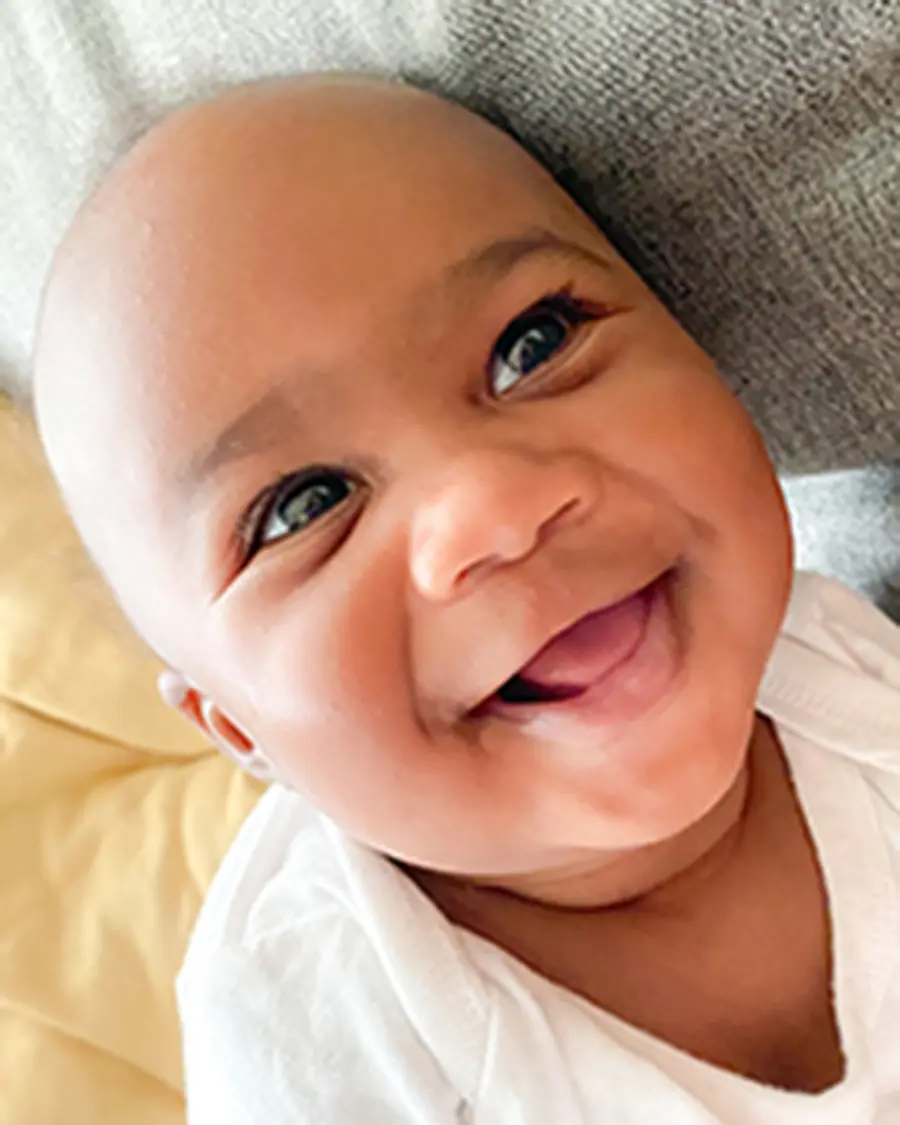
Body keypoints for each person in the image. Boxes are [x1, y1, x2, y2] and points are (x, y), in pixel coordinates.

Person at [32, 74, 900, 1123]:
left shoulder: (849, 669)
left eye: (532, 345)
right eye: (305, 507)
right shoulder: (316, 1023)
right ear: (239, 729)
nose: (494, 507)